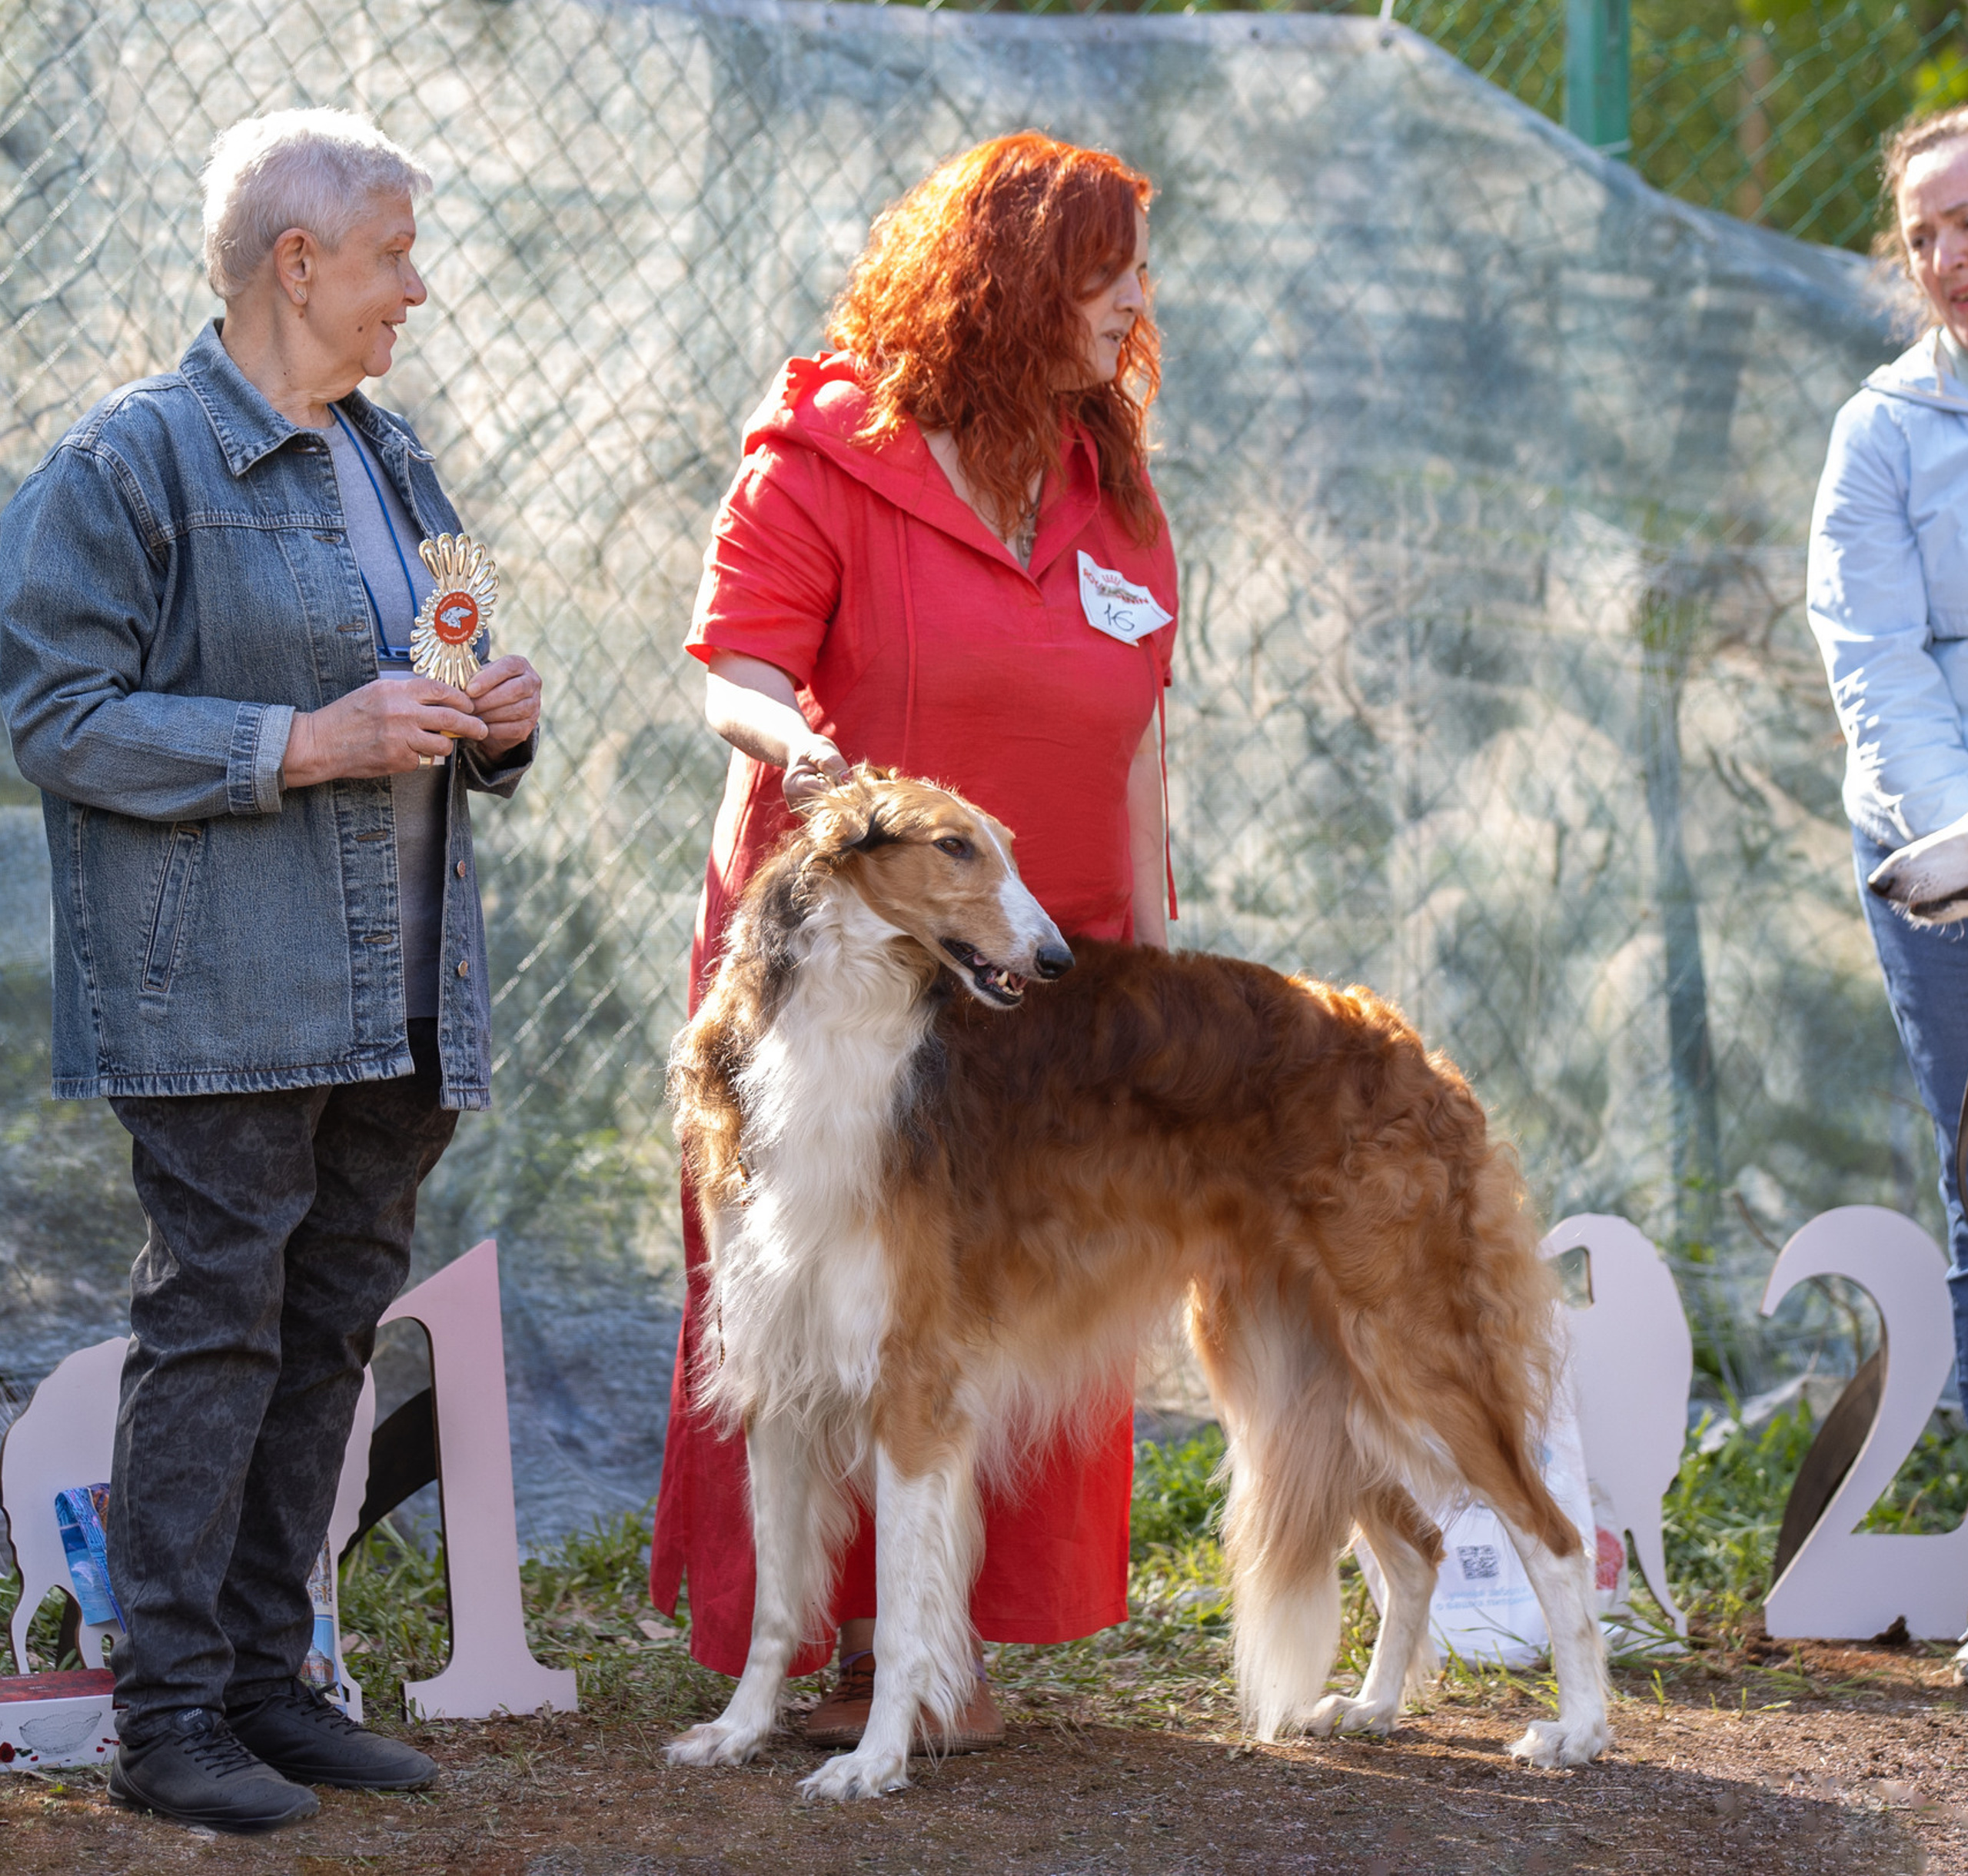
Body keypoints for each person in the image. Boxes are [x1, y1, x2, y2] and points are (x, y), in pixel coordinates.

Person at [0, 108, 542, 1834]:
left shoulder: (392, 457)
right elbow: (54, 718)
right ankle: (165, 1714)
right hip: (223, 994)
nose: (418, 289)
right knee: (217, 1327)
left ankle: (262, 1684)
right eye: (394, 254)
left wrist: (496, 717)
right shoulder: (129, 464)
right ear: (295, 263)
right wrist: (302, 741)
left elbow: (433, 668)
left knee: (325, 1331)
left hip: (398, 989)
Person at [650, 131, 1178, 1748]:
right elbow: (734, 666)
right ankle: (847, 1645)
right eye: (1102, 276)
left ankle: (942, 1649)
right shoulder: (825, 453)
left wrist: (1155, 969)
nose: (1134, 304)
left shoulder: (1111, 493)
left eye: (1136, 274)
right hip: (852, 979)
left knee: (991, 1306)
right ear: (1008, 286)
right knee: (830, 1316)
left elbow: (1143, 747)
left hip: (1045, 968)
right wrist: (792, 745)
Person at [1810, 102, 1968, 1416]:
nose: (1946, 256)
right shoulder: (1881, 432)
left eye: (1967, 222)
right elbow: (1878, 667)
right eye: (1923, 236)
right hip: (1942, 854)